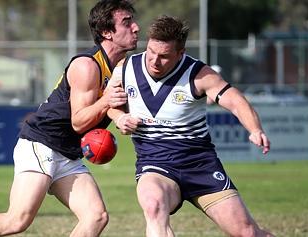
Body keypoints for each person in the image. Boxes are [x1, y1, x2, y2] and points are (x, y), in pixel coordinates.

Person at [108, 15, 275, 237]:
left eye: (164, 56)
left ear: (180, 53)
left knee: (248, 233)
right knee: (153, 204)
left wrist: (255, 129)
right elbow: (110, 104)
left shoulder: (199, 74)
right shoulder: (126, 68)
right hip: (155, 163)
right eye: (151, 52)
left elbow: (235, 101)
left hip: (200, 165)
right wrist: (120, 118)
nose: (155, 61)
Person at [0, 0, 139, 236]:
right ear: (107, 32)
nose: (136, 27)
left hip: (67, 153)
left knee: (96, 217)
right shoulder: (87, 65)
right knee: (17, 221)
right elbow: (79, 121)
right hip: (41, 144)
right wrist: (107, 102)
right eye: (126, 22)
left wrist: (119, 117)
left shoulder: (122, 67)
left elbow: (108, 104)